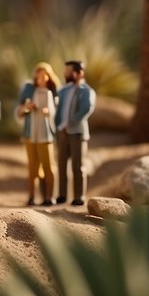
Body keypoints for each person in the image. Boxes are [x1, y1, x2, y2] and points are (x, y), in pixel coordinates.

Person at [17, 62, 59, 206]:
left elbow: (53, 111)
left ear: (48, 77)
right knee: (32, 167)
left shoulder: (49, 92)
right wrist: (26, 108)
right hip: (30, 134)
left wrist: (47, 111)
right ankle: (31, 196)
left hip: (44, 134)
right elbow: (20, 110)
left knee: (48, 167)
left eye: (43, 76)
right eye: (38, 75)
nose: (40, 78)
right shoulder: (29, 90)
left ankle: (49, 196)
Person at [56, 59, 96, 206]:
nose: (66, 74)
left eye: (69, 72)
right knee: (61, 164)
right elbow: (59, 110)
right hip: (62, 132)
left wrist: (70, 123)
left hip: (77, 132)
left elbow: (86, 109)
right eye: (65, 71)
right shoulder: (64, 90)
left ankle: (79, 195)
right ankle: (62, 194)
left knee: (77, 166)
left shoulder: (87, 91)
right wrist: (59, 126)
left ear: (79, 73)